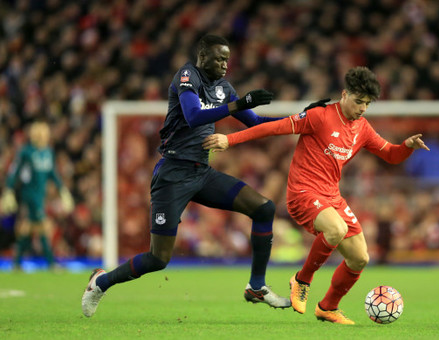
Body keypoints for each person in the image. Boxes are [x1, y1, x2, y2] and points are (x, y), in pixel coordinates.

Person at [81, 34, 324, 317]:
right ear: (203, 56)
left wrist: (301, 118)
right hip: (173, 174)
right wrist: (239, 103)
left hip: (201, 172)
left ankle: (256, 286)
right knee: (158, 258)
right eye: (219, 58)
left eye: (227, 59)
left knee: (263, 207)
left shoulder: (224, 87)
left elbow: (255, 122)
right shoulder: (187, 76)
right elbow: (193, 116)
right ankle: (101, 282)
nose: (224, 64)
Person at [203, 66, 429, 324]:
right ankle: (301, 280)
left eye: (367, 103)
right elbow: (274, 128)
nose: (362, 108)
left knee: (359, 258)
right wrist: (230, 140)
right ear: (344, 94)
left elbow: (390, 154)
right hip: (302, 192)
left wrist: (407, 146)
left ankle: (328, 307)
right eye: (358, 101)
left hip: (331, 196)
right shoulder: (319, 116)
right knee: (336, 229)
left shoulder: (362, 127)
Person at [1, 121, 74, 270]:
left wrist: (62, 190)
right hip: (29, 194)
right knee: (42, 225)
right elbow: (15, 172)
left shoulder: (48, 152)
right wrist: (8, 190)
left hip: (41, 194)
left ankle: (17, 262)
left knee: (30, 227)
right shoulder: (26, 152)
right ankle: (51, 263)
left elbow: (52, 173)